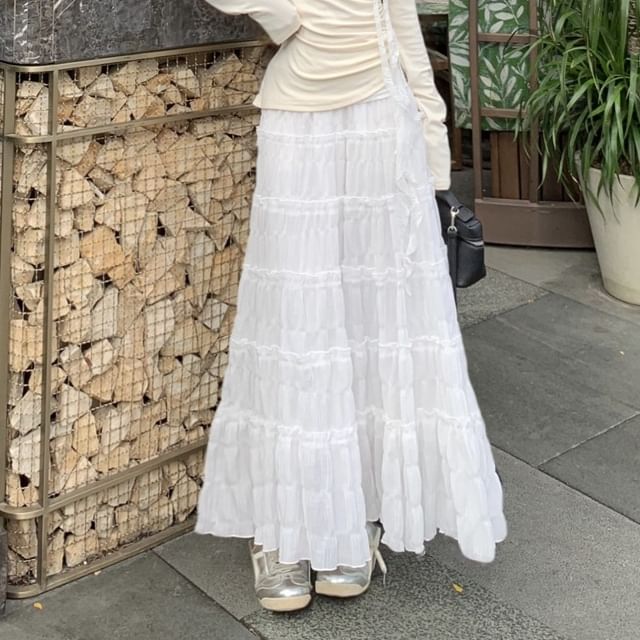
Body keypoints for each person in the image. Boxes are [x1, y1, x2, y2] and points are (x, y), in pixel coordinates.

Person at [195, 0, 507, 612]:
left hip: (383, 122)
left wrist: (431, 144)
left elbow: (401, 21)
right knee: (296, 318)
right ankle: (282, 530)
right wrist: (286, 19)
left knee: (371, 320)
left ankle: (356, 511)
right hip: (299, 115)